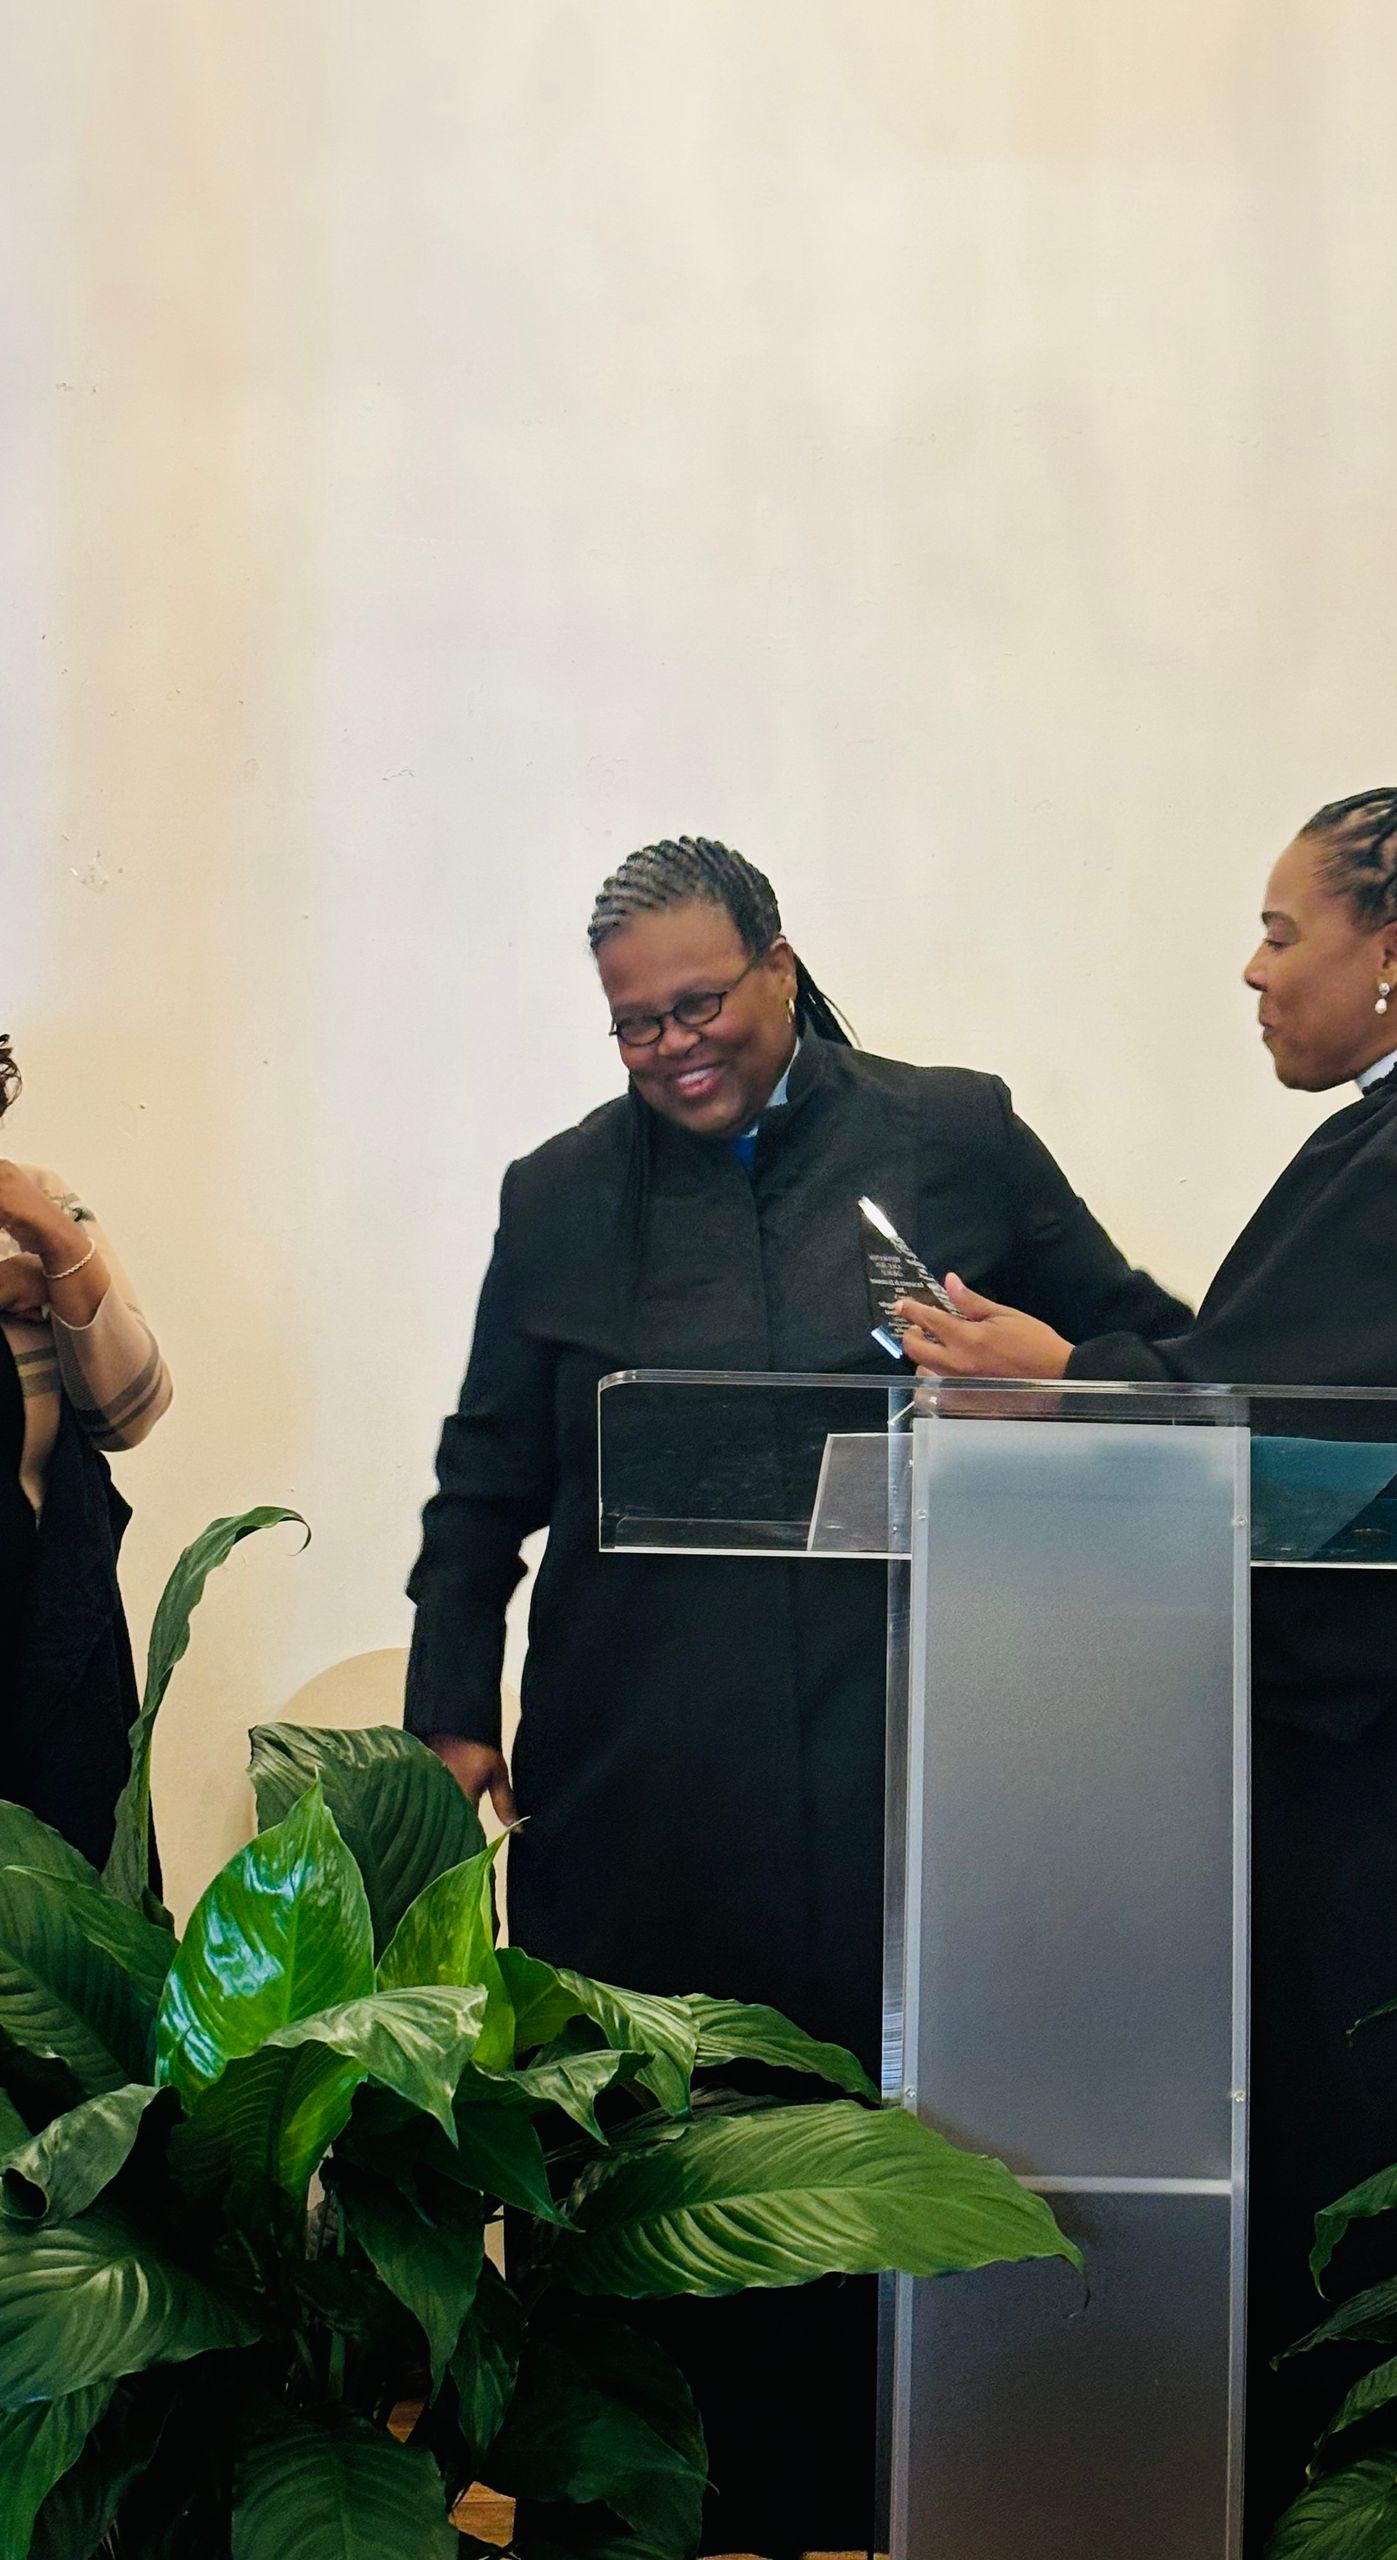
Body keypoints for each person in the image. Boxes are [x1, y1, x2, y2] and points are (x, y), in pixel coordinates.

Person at [901, 760, 1397, 2540]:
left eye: (1282, 931)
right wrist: (1083, 1381)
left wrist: (1074, 1384)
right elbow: (1292, 1416)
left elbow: (1335, 1468)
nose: (1253, 971)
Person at [403, 835, 1186, 2560]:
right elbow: (479, 1494)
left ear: (779, 963)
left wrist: (1055, 1387)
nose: (672, 1048)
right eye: (631, 1028)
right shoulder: (556, 1194)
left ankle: (887, 2514)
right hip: (642, 1801)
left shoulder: (953, 1136)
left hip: (913, 1783)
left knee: (871, 2175)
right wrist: (447, 1716)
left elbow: (1158, 1350)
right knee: (640, 2197)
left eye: (700, 1005)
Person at [0, 1032, 173, 1867]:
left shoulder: (39, 1196)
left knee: (73, 1946)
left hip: (50, 1641)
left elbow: (131, 1410)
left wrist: (56, 1245)